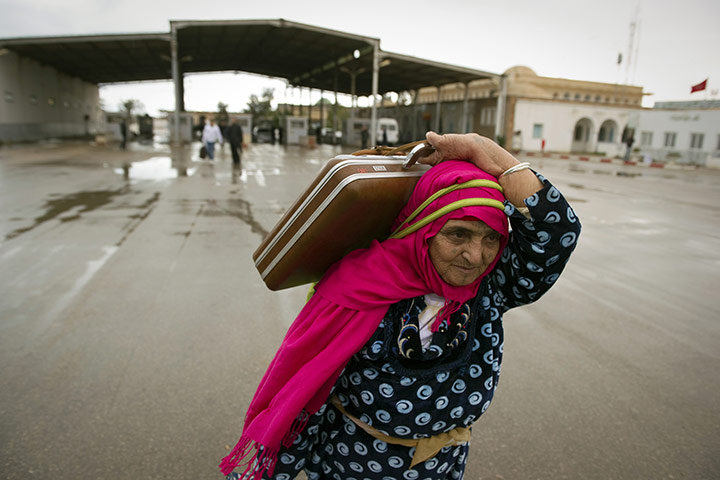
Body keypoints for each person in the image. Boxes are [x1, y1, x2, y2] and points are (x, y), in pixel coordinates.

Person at [220, 132, 581, 480]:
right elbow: (303, 392)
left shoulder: (489, 289)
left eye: (491, 238)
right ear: (423, 226)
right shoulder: (358, 288)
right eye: (458, 234)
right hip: (352, 466)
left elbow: (556, 231)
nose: (475, 256)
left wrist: (485, 151)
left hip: (444, 466)